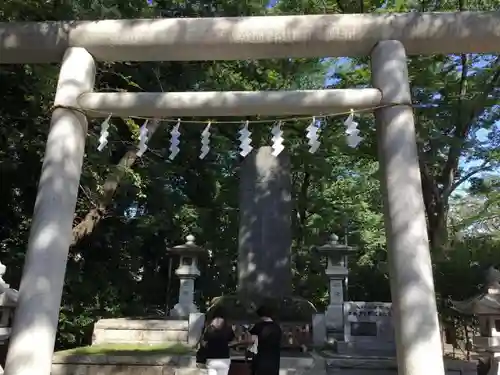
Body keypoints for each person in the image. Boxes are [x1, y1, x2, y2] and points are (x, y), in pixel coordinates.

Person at [201, 307, 236, 375]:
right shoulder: (227, 327)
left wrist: (207, 346)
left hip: (211, 358)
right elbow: (233, 340)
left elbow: (203, 341)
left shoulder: (209, 326)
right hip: (224, 359)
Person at [248, 305, 282, 375]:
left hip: (261, 359)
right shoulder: (277, 327)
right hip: (274, 360)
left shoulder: (258, 326)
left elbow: (251, 341)